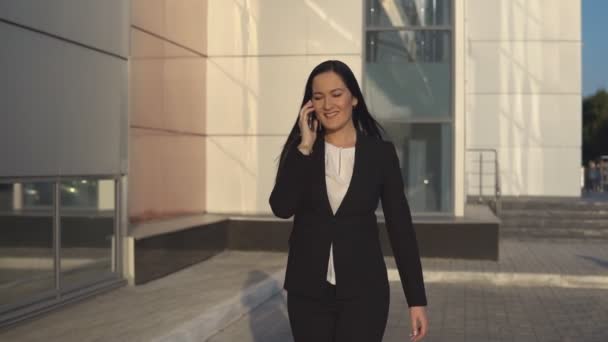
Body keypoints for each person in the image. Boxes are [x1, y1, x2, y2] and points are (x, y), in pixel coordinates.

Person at [269, 60, 428, 342]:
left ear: (354, 98)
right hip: (307, 294)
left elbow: (400, 228)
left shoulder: (380, 154)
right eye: (318, 97)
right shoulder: (302, 151)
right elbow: (281, 208)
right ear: (310, 105)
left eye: (336, 94)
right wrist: (304, 147)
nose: (328, 104)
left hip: (365, 293)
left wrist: (416, 299)